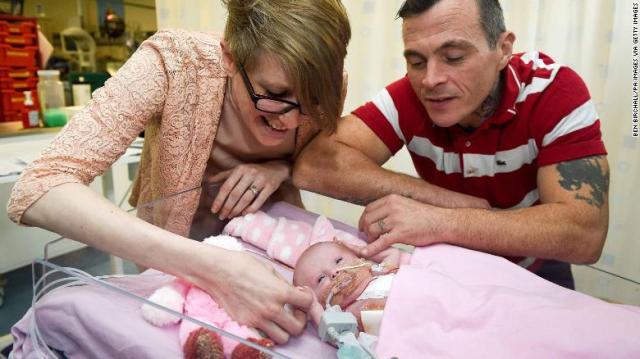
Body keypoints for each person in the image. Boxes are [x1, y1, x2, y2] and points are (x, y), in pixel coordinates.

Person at [6, 0, 350, 344]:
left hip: (268, 251)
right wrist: (212, 268)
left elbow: (315, 153)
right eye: (275, 95)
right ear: (229, 57)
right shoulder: (174, 63)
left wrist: (280, 169)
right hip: (173, 255)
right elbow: (37, 187)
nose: (291, 121)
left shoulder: (326, 81)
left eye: (313, 101)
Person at [293, 0, 609, 289]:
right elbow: (315, 164)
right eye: (417, 62)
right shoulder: (411, 96)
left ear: (503, 49)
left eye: (453, 57)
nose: (431, 80)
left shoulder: (555, 91)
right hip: (452, 269)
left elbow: (584, 234)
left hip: (536, 269)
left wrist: (438, 220)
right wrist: (448, 202)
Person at [292, 241, 403, 335]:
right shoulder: (346, 316)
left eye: (338, 261)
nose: (333, 272)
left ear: (358, 259)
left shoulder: (379, 272)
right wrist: (314, 307)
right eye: (321, 278)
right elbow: (334, 333)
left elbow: (392, 253)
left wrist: (359, 250)